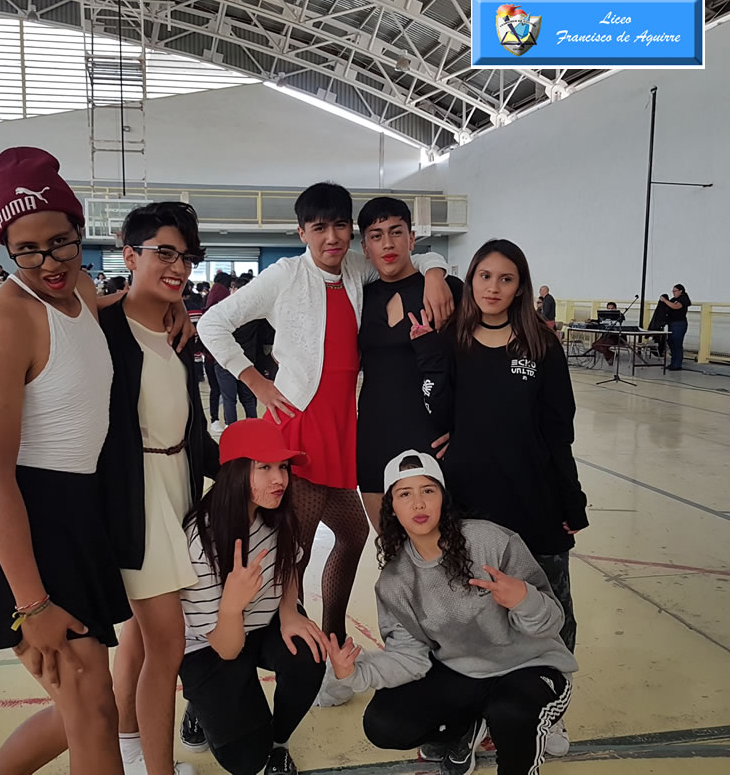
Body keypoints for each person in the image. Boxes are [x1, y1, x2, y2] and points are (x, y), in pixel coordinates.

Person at [0, 146, 132, 774]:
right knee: (94, 714)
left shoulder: (79, 291)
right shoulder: (5, 319)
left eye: (61, 243)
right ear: (6, 248)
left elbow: (92, 327)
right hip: (23, 523)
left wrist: (166, 311)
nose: (49, 262)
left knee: (82, 711)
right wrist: (33, 604)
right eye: (27, 250)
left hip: (76, 516)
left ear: (79, 231)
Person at [198, 182, 454, 643]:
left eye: (339, 226)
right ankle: (295, 640)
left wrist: (435, 269)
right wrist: (255, 381)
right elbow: (214, 323)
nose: (331, 237)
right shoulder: (285, 275)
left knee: (353, 535)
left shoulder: (355, 267)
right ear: (302, 233)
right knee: (294, 546)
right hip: (299, 425)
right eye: (319, 228)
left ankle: (332, 636)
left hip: (339, 425)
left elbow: (407, 259)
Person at [428, 239, 587, 755]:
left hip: (533, 498)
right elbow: (437, 410)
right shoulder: (453, 340)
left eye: (506, 279)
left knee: (550, 610)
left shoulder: (541, 345)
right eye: (484, 276)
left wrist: (571, 502)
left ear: (520, 287)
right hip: (470, 502)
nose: (493, 287)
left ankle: (549, 710)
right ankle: (479, 713)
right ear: (471, 280)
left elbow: (559, 432)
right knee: (477, 615)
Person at [326, 451, 577, 775]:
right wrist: (354, 672)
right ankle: (468, 728)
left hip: (530, 666)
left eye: (428, 490)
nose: (418, 503)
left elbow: (553, 621)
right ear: (391, 508)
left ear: (443, 498)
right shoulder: (395, 581)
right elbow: (409, 658)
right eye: (405, 494)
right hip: (465, 674)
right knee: (384, 723)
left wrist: (524, 599)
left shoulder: (490, 541)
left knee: (510, 714)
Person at [98, 201, 219, 775]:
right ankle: (158, 769)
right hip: (135, 498)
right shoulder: (103, 329)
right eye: (163, 253)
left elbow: (189, 424)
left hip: (176, 488)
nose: (178, 267)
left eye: (186, 257)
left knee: (141, 639)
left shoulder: (175, 329)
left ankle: (129, 745)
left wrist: (247, 462)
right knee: (166, 644)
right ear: (130, 256)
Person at [179, 419, 327, 775]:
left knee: (308, 654)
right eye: (264, 468)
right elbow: (227, 649)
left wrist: (290, 611)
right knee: (246, 761)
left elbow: (290, 565)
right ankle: (200, 705)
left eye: (283, 467)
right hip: (213, 644)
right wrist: (232, 605)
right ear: (235, 472)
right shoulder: (201, 540)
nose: (279, 479)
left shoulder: (275, 514)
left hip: (262, 622)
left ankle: (278, 743)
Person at [355, 196, 463, 533]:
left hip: (432, 435)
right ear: (365, 248)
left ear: (412, 239)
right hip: (374, 435)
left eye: (396, 232)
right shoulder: (358, 297)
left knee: (440, 548)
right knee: (391, 548)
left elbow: (476, 367)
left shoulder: (446, 290)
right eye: (376, 236)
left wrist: (465, 427)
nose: (387, 244)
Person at [214, 274, 260, 426]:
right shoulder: (256, 313)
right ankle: (254, 429)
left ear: (234, 289)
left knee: (229, 399)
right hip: (248, 359)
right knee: (248, 398)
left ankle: (231, 430)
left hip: (226, 360)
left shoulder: (224, 310)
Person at [202, 271, 233, 432]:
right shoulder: (224, 297)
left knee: (216, 390)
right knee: (227, 393)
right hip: (220, 355)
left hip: (210, 355)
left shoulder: (209, 298)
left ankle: (215, 420)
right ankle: (225, 421)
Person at [660, 284, 691, 371]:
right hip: (672, 323)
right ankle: (673, 363)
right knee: (671, 342)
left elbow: (676, 306)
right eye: (673, 291)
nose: (673, 293)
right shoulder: (673, 299)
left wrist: (665, 300)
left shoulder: (683, 299)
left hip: (679, 323)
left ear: (680, 291)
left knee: (677, 343)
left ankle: (677, 364)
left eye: (675, 291)